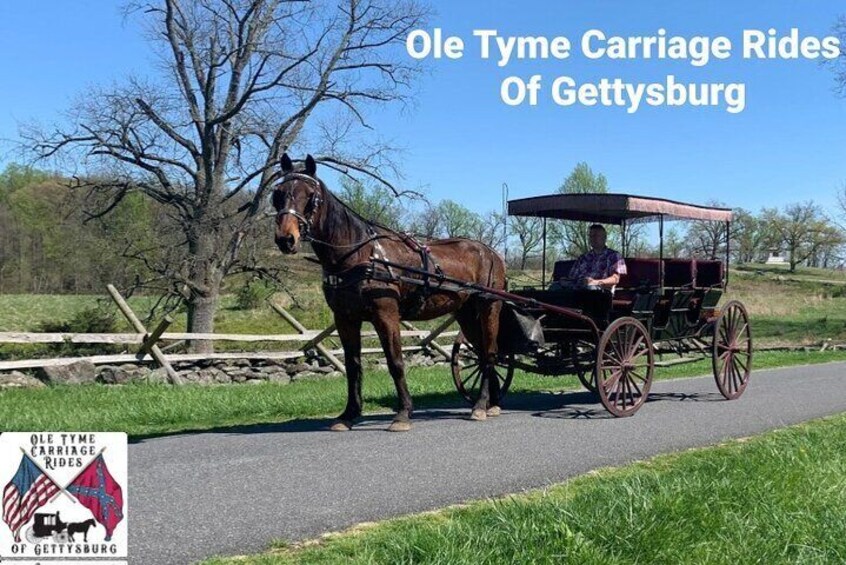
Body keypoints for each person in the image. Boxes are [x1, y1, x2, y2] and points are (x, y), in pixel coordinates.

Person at [565, 224, 627, 290]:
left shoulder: (614, 256)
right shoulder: (583, 257)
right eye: (590, 236)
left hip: (600, 291)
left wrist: (595, 282)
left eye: (595, 236)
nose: (592, 238)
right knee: (556, 287)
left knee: (590, 288)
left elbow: (615, 279)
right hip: (578, 289)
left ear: (604, 237)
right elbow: (572, 277)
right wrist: (565, 281)